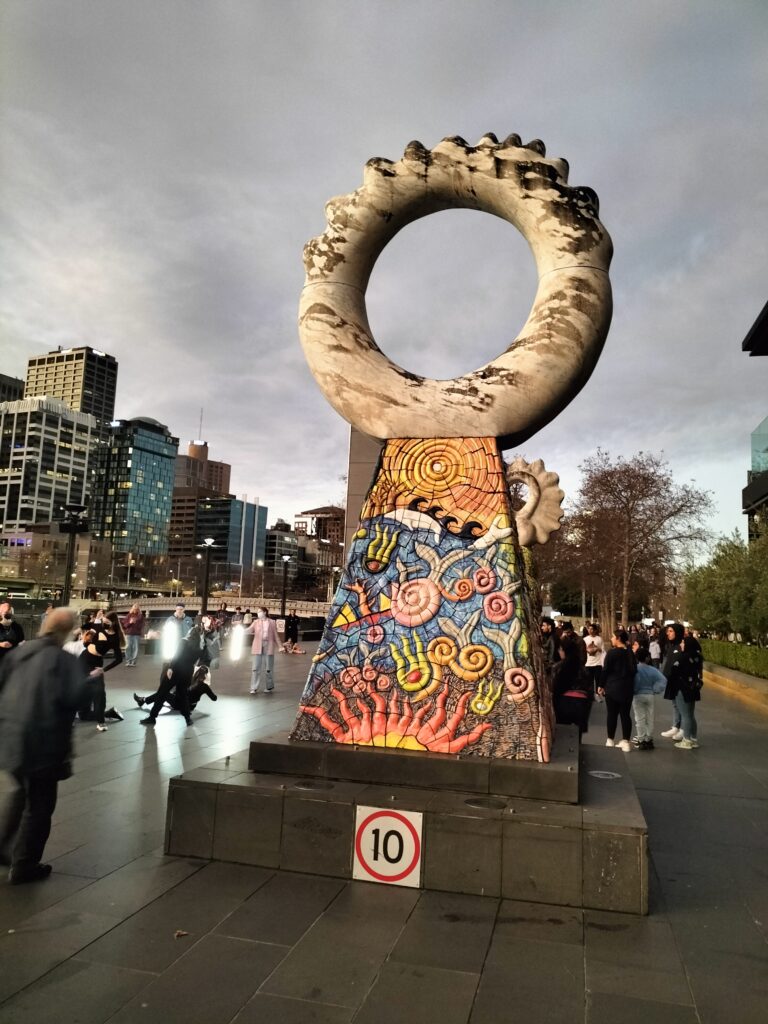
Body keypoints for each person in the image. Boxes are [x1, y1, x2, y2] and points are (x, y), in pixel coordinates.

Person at [0, 608, 88, 884]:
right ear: (68, 631)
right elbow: (75, 698)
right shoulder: (63, 661)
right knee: (40, 804)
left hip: (11, 738)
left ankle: (2, 848)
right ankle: (25, 865)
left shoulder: (17, 653)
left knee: (20, 792)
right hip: (43, 744)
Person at [141, 625, 209, 726]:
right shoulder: (201, 646)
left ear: (190, 632)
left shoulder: (184, 641)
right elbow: (204, 659)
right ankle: (187, 719)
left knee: (162, 693)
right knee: (183, 695)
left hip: (176, 669)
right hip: (188, 671)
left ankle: (152, 717)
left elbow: (177, 656)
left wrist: (170, 668)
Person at [662, 622, 701, 749]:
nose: (682, 644)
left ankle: (687, 739)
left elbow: (674, 670)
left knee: (685, 714)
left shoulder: (683, 658)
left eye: (684, 643)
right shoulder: (696, 657)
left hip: (682, 688)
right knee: (690, 714)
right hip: (691, 688)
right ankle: (693, 738)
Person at [598, 629, 636, 752]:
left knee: (612, 714)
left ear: (619, 638)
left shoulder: (612, 653)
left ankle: (610, 740)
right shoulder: (630, 653)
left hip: (613, 688)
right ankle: (626, 741)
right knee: (625, 715)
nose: (611, 638)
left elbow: (605, 670)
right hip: (627, 689)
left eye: (613, 636)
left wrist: (601, 685)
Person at [134, 663, 217, 714]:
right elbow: (214, 698)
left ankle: (143, 700)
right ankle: (144, 700)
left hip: (179, 704)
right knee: (167, 694)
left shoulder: (190, 682)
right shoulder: (205, 686)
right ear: (206, 676)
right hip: (190, 707)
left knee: (164, 693)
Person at [551, 637, 593, 734]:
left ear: (564, 650)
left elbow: (555, 687)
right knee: (577, 733)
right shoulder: (583, 668)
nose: (559, 651)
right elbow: (589, 689)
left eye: (560, 649)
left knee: (563, 732)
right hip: (581, 702)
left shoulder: (558, 667)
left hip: (564, 702)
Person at [632, 648, 667, 749]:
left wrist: (635, 690)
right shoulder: (653, 670)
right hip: (650, 695)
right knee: (650, 718)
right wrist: (654, 689)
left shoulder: (635, 669)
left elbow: (635, 680)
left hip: (638, 695)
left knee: (639, 718)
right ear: (647, 658)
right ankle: (649, 739)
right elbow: (663, 680)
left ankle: (641, 739)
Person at [245, 607, 279, 693]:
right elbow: (249, 630)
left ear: (264, 612)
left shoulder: (272, 622)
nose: (258, 613)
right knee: (255, 667)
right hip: (257, 645)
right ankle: (254, 687)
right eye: (257, 612)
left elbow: (275, 635)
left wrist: (280, 646)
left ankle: (269, 687)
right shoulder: (256, 622)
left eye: (259, 611)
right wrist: (241, 631)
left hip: (269, 645)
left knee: (269, 668)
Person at [584, 623, 605, 701]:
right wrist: (589, 650)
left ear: (595, 630)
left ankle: (597, 694)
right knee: (589, 680)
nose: (590, 630)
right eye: (589, 629)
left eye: (592, 629)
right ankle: (590, 695)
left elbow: (603, 650)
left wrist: (597, 648)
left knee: (598, 679)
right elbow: (583, 649)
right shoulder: (585, 639)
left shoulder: (599, 639)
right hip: (588, 663)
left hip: (598, 662)